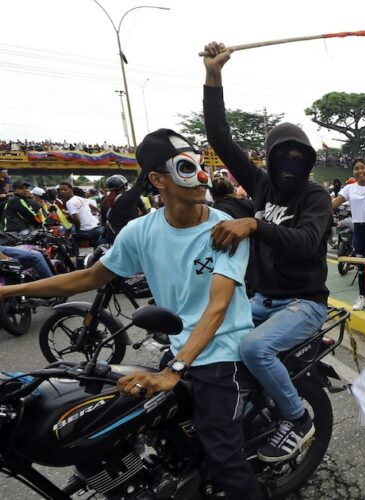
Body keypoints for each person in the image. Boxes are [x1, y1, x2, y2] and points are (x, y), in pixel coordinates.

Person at [0, 129, 263, 498]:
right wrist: (9, 291)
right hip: (183, 348)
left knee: (224, 456)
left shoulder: (225, 230)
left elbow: (218, 307)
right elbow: (90, 277)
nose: (203, 175)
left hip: (223, 352)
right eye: (187, 167)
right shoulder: (141, 231)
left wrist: (174, 370)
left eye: (199, 165)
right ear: (157, 180)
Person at [203, 41, 332, 463]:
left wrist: (256, 224)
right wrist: (214, 76)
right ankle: (245, 407)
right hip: (262, 300)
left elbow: (305, 243)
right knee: (209, 338)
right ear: (272, 159)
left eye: (300, 157)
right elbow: (220, 138)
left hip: (304, 304)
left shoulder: (314, 197)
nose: (292, 164)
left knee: (254, 349)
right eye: (284, 156)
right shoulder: (261, 185)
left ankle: (297, 418)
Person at [332, 159, 365, 311]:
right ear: (353, 172)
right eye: (356, 168)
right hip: (358, 229)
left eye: (363, 168)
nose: (360, 171)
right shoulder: (349, 188)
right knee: (361, 267)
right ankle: (362, 297)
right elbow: (333, 204)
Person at [59, 181, 104, 251]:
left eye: (65, 189)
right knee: (95, 252)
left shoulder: (70, 202)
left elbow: (76, 220)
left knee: (81, 254)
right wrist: (100, 214)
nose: (62, 191)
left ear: (71, 189)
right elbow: (90, 206)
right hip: (97, 228)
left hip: (85, 231)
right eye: (60, 190)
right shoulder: (79, 198)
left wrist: (77, 232)